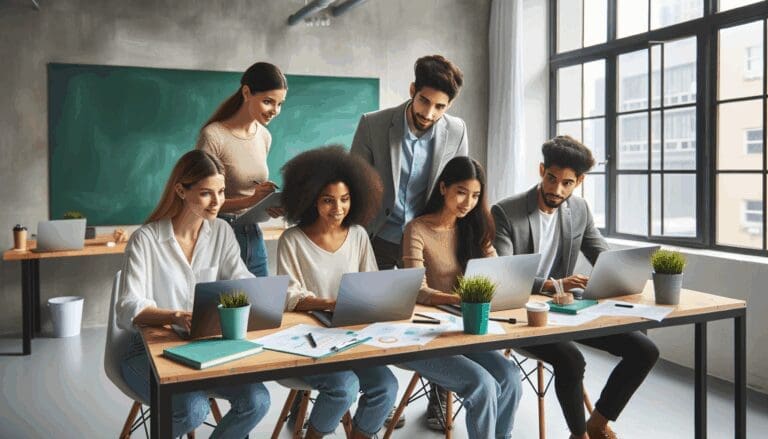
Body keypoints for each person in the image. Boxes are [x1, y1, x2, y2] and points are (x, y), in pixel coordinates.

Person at [492, 136, 660, 439]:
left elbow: (605, 257)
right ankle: (578, 435)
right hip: (522, 316)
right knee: (571, 358)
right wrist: (554, 284)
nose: (557, 190)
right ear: (541, 170)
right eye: (551, 178)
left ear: (579, 182)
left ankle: (596, 423)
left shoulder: (579, 209)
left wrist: (625, 275)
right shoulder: (506, 212)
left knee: (644, 350)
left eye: (567, 183)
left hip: (566, 310)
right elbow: (503, 277)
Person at [116, 150, 270, 438]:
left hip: (206, 348)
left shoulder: (222, 231)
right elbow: (127, 307)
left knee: (258, 400)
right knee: (193, 409)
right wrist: (173, 315)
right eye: (206, 194)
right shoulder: (146, 238)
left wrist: (265, 294)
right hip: (149, 353)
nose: (217, 202)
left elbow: (240, 280)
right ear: (180, 191)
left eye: (222, 192)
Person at [276, 146, 397, 439]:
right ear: (310, 201)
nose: (338, 208)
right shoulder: (292, 240)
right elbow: (290, 296)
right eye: (328, 200)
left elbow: (370, 282)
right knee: (344, 387)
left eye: (344, 199)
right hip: (306, 343)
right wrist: (331, 303)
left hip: (351, 338)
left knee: (387, 387)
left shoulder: (357, 235)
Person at [400, 156, 523, 439]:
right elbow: (418, 289)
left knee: (511, 378)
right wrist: (461, 300)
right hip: (425, 335)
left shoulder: (476, 226)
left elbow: (497, 273)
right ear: (443, 188)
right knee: (483, 384)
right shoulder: (417, 229)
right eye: (461, 192)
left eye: (476, 195)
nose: (468, 202)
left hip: (466, 330)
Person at [351, 54, 468, 270]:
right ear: (413, 90)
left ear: (449, 105)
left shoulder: (457, 131)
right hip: (378, 237)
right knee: (375, 303)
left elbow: (460, 188)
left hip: (426, 240)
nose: (429, 113)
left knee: (424, 303)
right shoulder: (372, 124)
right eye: (424, 101)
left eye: (440, 107)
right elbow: (353, 186)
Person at [196, 61, 287, 277]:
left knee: (263, 306)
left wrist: (267, 204)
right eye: (268, 102)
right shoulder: (214, 136)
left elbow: (250, 193)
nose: (275, 111)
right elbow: (200, 202)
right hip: (218, 237)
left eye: (280, 104)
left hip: (253, 234)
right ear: (246, 92)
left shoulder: (264, 136)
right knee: (224, 308)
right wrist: (250, 201)